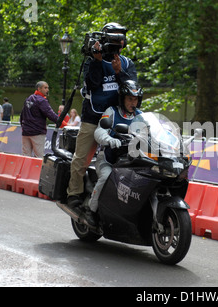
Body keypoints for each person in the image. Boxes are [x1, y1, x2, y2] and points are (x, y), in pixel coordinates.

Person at [67, 22, 137, 208]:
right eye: (112, 40)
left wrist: (118, 72)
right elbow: (92, 84)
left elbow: (133, 92)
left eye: (119, 41)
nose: (116, 45)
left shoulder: (127, 64)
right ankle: (74, 193)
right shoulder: (92, 61)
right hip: (92, 117)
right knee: (81, 159)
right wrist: (98, 61)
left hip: (117, 120)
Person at [85, 80, 143, 227]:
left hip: (132, 162)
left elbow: (154, 134)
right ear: (122, 99)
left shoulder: (141, 117)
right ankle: (91, 211)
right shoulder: (111, 111)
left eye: (135, 99)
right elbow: (99, 131)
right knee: (106, 176)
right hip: (109, 159)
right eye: (130, 99)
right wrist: (109, 139)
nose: (133, 103)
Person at [20, 81, 59, 157]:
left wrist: (23, 126)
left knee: (25, 156)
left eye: (48, 88)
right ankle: (36, 169)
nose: (47, 90)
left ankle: (26, 169)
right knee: (39, 156)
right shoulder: (42, 100)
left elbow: (22, 115)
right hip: (37, 132)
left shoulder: (28, 98)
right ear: (39, 89)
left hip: (26, 131)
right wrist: (62, 122)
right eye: (45, 88)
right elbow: (50, 114)